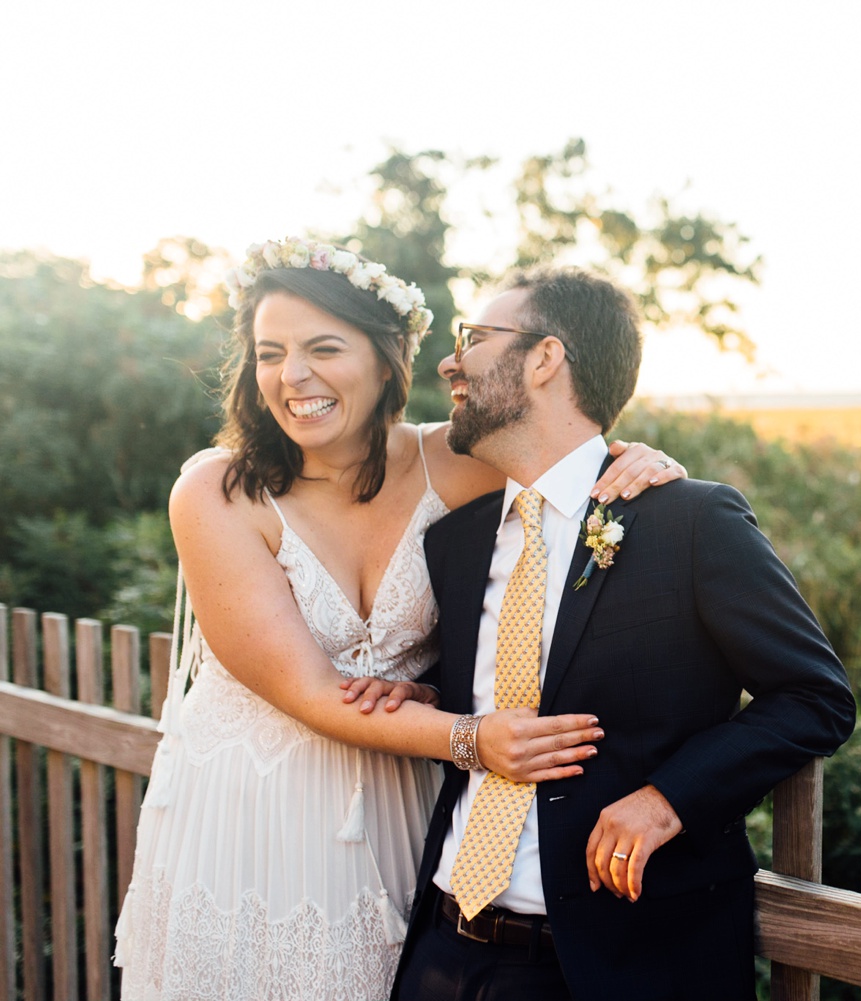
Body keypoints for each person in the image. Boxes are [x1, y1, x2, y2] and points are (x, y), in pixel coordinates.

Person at [113, 238, 686, 1001]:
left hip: (397, 808)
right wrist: (473, 739)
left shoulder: (457, 461)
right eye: (270, 352)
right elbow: (311, 692)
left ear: (388, 360)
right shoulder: (217, 491)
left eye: (323, 348)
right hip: (253, 810)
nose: (294, 376)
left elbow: (563, 448)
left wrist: (639, 458)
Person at [389, 266, 856, 1001]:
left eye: (474, 338)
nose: (451, 359)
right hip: (445, 952)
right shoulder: (455, 542)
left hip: (619, 966)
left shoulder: (691, 521)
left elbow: (815, 697)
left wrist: (670, 796)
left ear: (545, 358)